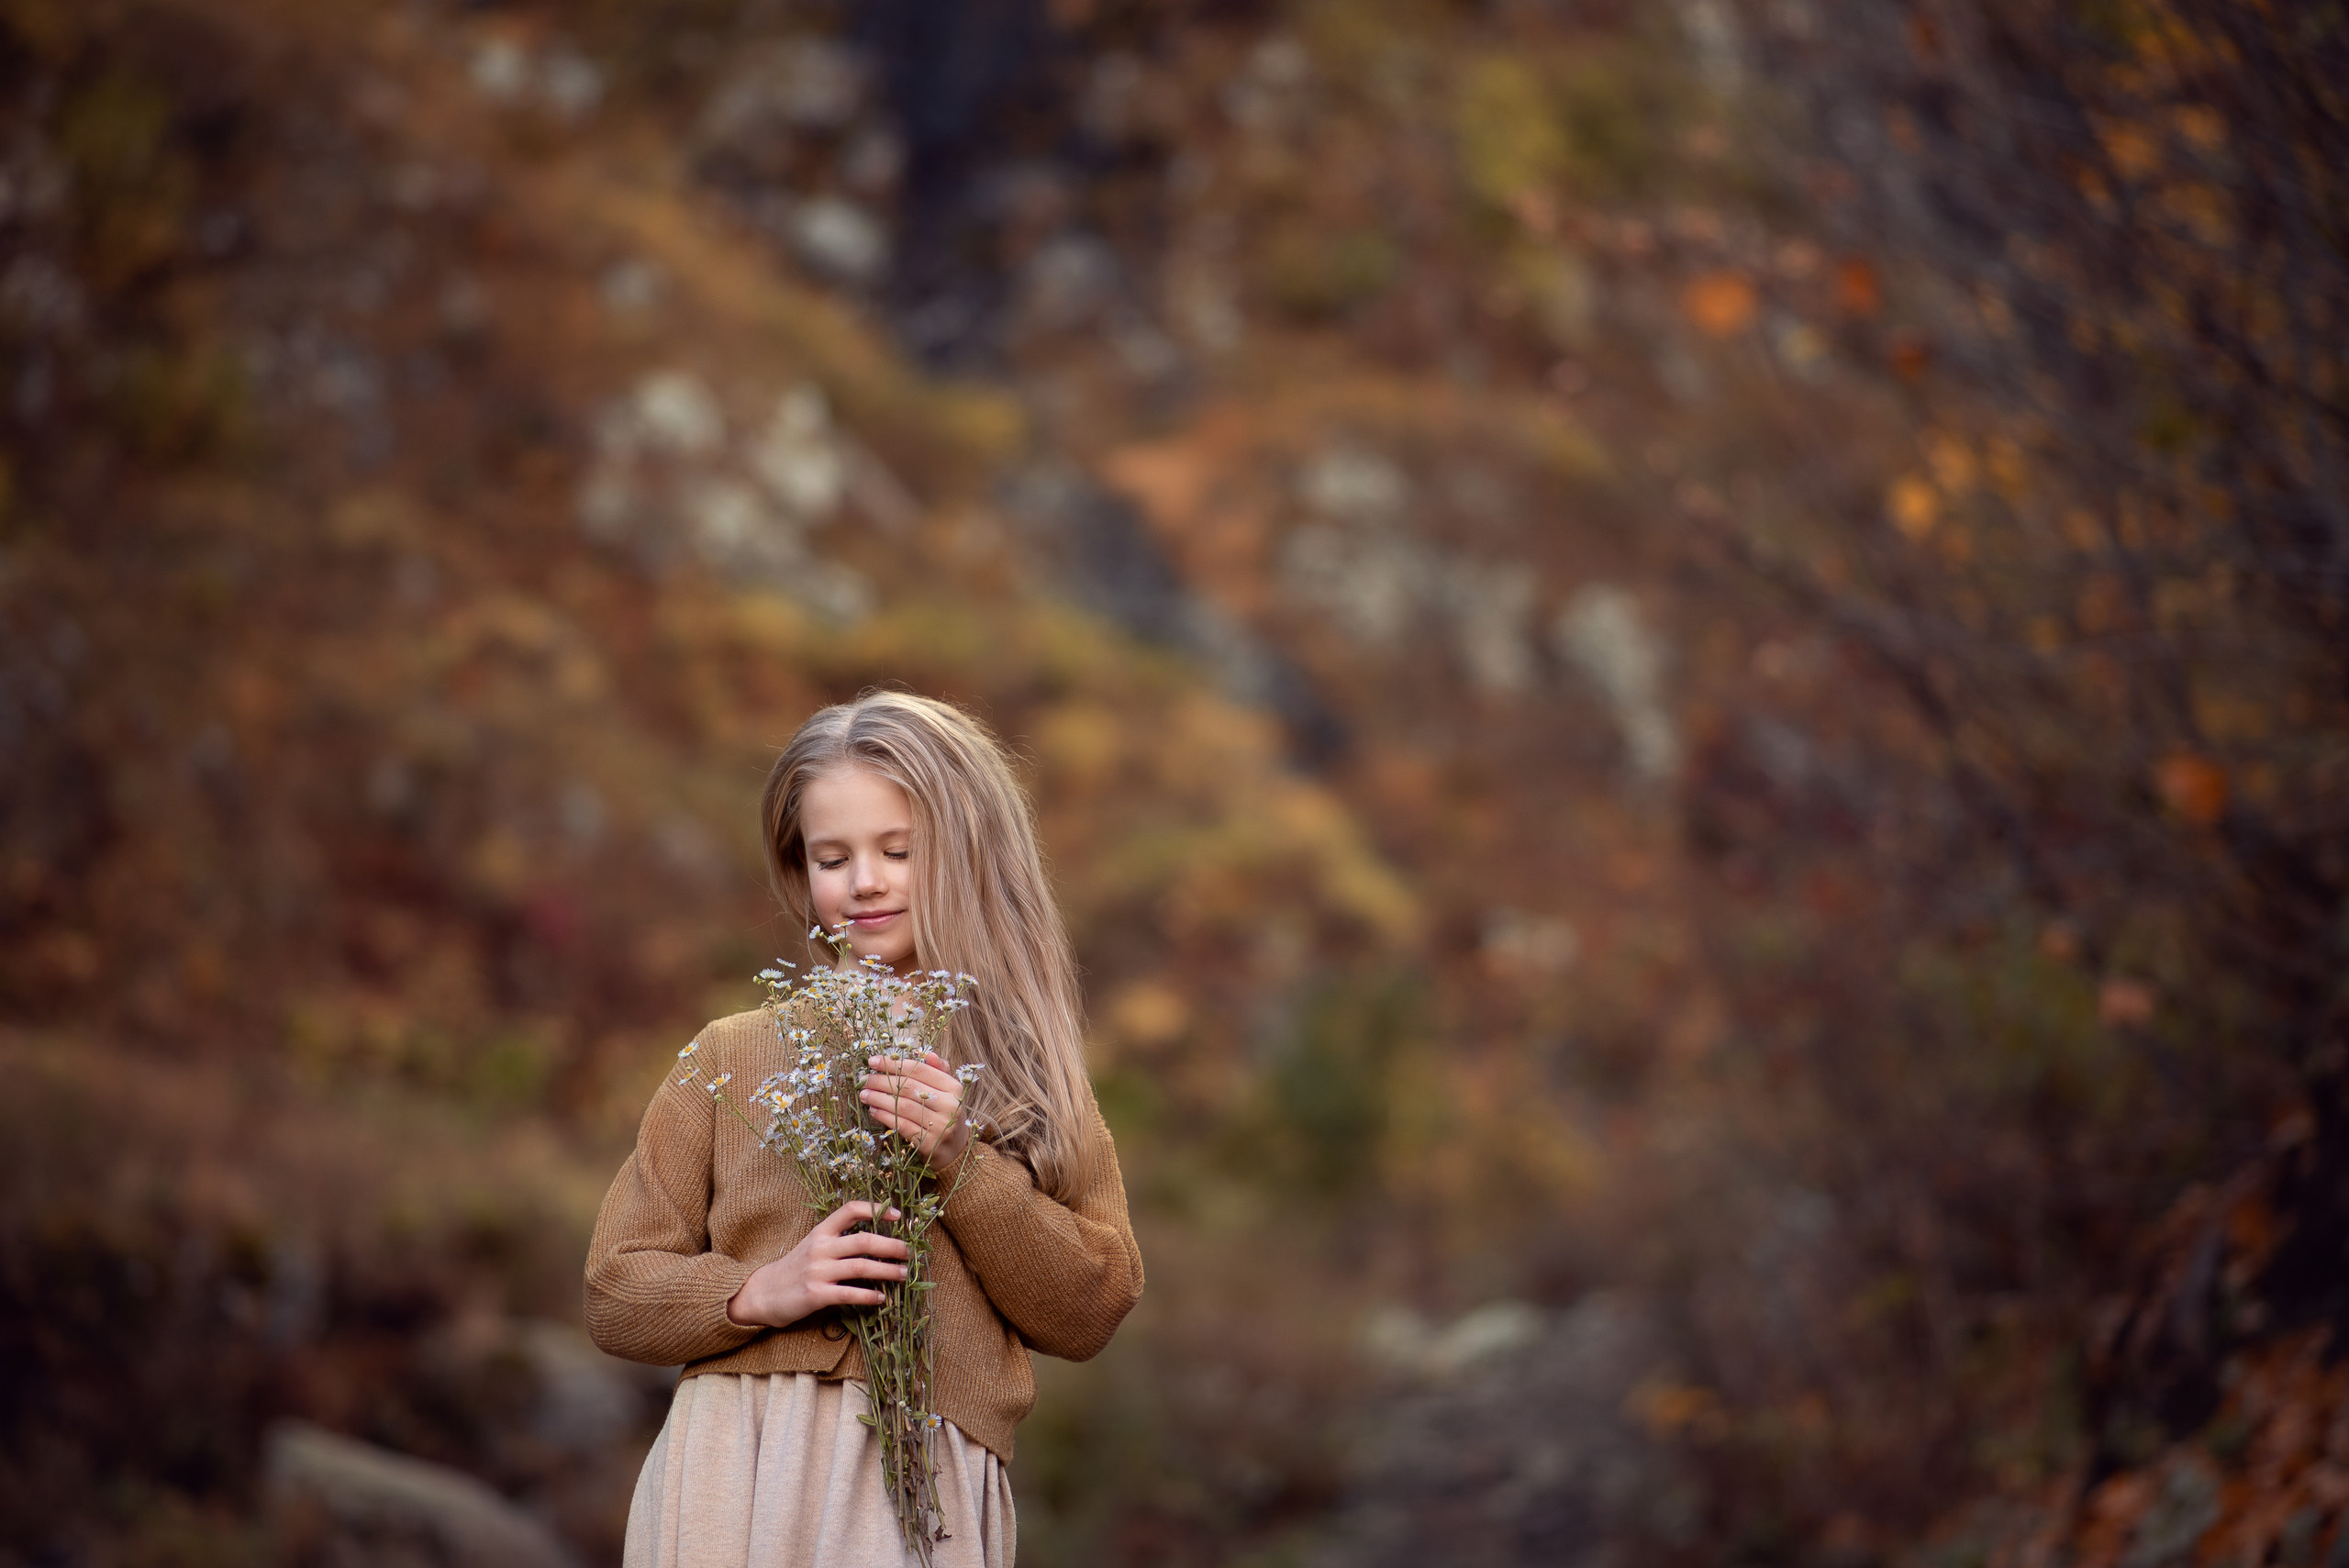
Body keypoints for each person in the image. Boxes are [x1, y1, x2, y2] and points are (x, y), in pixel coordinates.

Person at [585, 692, 1144, 1568]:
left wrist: (963, 1164)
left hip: (928, 1484)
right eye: (831, 856)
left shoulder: (1031, 1072)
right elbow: (615, 1289)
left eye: (899, 850)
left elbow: (1091, 1306)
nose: (865, 881)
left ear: (968, 854)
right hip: (736, 1464)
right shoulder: (730, 1054)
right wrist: (758, 1291)